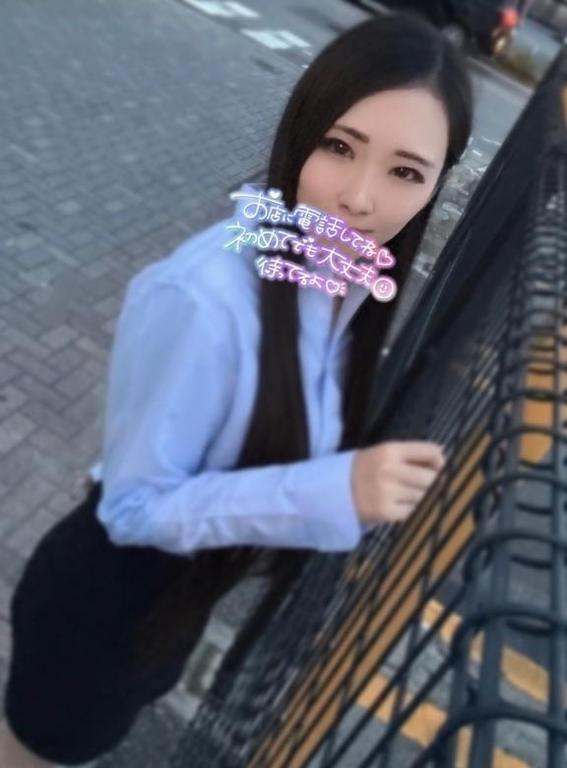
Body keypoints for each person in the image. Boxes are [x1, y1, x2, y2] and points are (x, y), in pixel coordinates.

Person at [0, 10, 472, 767]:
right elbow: (131, 507)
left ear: (435, 187)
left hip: (178, 608)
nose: (358, 197)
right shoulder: (203, 297)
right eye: (339, 147)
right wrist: (333, 489)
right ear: (299, 133)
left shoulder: (338, 279)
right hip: (103, 605)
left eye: (405, 172)